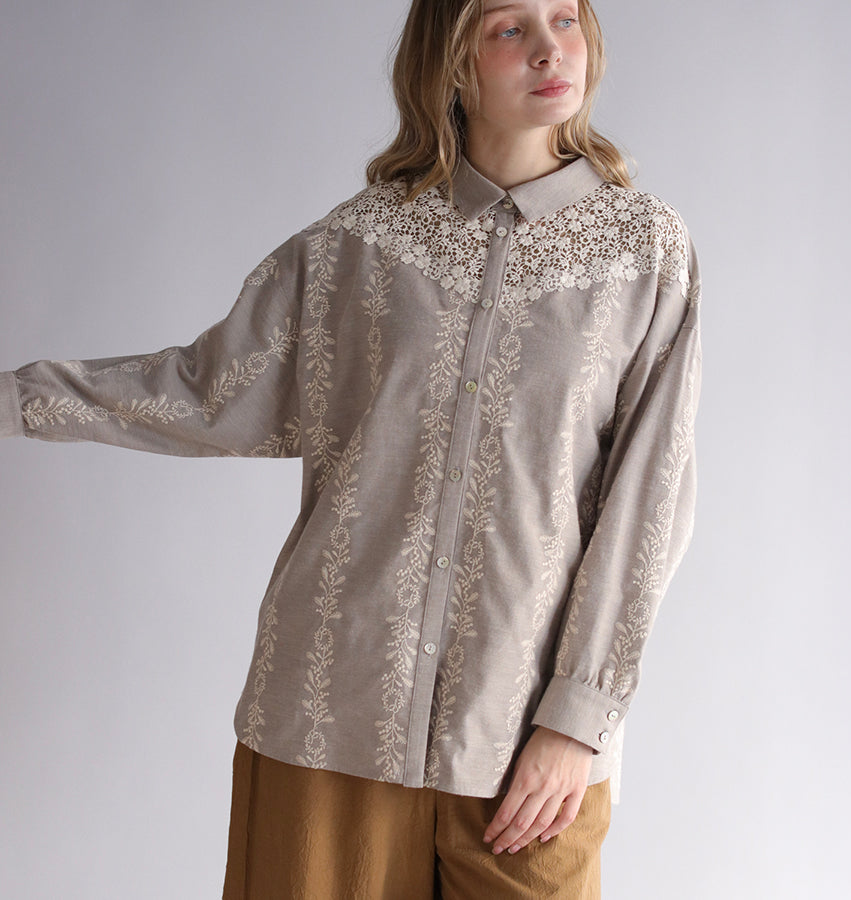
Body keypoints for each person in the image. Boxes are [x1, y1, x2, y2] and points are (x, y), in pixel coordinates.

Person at [0, 0, 702, 896]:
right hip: (328, 723)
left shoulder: (645, 252)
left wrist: (580, 716)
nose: (548, 49)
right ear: (453, 61)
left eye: (565, 18)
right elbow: (205, 392)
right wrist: (18, 400)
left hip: (525, 745)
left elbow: (652, 497)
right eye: (509, 27)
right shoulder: (357, 245)